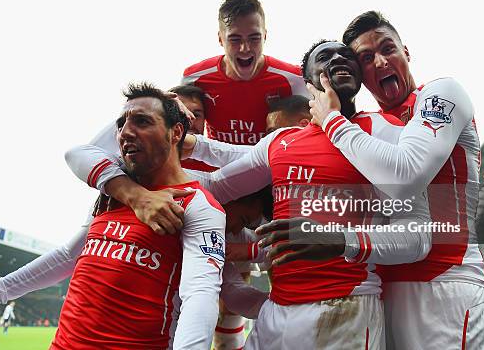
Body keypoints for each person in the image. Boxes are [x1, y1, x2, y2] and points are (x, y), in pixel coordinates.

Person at [183, 40, 431, 350]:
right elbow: (212, 185)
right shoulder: (281, 141)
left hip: (346, 310)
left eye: (347, 55)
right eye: (325, 56)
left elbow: (418, 238)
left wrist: (337, 240)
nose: (339, 58)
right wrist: (133, 179)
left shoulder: (385, 131)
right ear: (307, 79)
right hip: (276, 313)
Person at [0, 83, 226, 349]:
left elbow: (199, 295)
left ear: (176, 133)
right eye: (121, 125)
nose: (125, 133)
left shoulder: (197, 204)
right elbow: (69, 256)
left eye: (142, 122)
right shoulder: (114, 192)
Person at [300, 11, 484, 350]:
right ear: (360, 75)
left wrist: (331, 120)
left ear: (406, 52)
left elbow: (406, 176)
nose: (380, 61)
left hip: (445, 287)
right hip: (381, 289)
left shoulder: (440, 94)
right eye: (366, 58)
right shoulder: (369, 126)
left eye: (388, 48)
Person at [182, 0, 308, 145]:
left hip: (269, 165)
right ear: (220, 39)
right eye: (235, 39)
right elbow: (180, 131)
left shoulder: (293, 78)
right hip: (219, 166)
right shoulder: (194, 78)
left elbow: (311, 132)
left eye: (254, 38)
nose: (245, 48)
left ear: (265, 36)